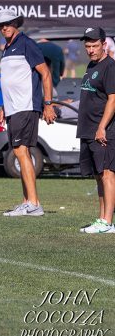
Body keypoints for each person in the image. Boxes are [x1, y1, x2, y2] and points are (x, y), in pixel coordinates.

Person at [0, 10, 56, 217]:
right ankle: (27, 201)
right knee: (20, 152)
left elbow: (45, 73)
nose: (4, 28)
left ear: (15, 23)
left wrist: (48, 104)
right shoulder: (7, 48)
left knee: (20, 151)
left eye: (7, 24)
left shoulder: (27, 43)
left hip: (26, 106)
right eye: (0, 25)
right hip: (13, 108)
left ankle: (34, 204)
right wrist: (3, 108)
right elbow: (11, 81)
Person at [75, 28, 115, 233]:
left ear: (103, 45)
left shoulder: (110, 66)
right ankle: (102, 219)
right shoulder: (91, 66)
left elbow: (113, 99)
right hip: (88, 129)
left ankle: (108, 222)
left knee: (108, 174)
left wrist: (101, 127)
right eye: (88, 46)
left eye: (95, 46)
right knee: (99, 175)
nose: (90, 50)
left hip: (103, 131)